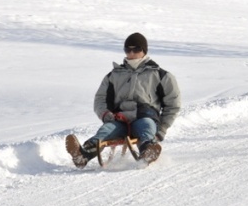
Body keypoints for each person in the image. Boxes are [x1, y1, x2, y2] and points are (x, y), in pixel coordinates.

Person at [65, 32, 181, 168]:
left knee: (146, 127)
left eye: (136, 49)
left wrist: (161, 129)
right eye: (128, 49)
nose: (131, 53)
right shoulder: (114, 75)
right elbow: (100, 99)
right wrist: (105, 114)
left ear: (144, 51)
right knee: (106, 130)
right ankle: (83, 154)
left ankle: (148, 152)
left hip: (145, 116)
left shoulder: (160, 75)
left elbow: (173, 104)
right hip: (119, 119)